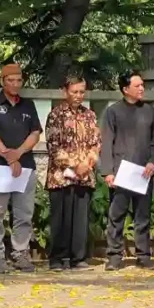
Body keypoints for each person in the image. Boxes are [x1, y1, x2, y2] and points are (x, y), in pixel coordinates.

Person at [0, 63, 42, 274]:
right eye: (10, 80)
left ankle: (20, 254)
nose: (15, 84)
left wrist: (18, 153)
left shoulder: (28, 105)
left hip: (25, 167)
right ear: (2, 81)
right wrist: (8, 156)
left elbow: (35, 133)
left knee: (24, 213)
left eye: (18, 80)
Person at [99, 70, 154, 271]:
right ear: (125, 89)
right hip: (121, 172)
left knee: (143, 216)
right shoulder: (113, 112)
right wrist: (108, 171)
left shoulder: (151, 112)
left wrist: (153, 162)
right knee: (116, 216)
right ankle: (114, 256)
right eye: (137, 85)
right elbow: (107, 142)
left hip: (144, 172)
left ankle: (143, 256)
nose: (142, 88)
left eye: (142, 85)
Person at [44, 76, 100, 271]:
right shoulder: (56, 115)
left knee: (80, 219)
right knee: (60, 219)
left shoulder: (89, 115)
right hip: (61, 176)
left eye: (81, 92)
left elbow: (96, 143)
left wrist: (88, 163)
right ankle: (57, 259)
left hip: (84, 176)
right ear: (65, 91)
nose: (78, 96)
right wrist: (75, 165)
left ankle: (78, 258)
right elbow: (53, 146)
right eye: (74, 92)